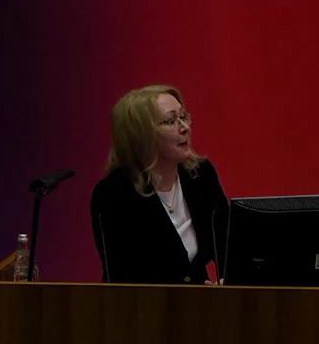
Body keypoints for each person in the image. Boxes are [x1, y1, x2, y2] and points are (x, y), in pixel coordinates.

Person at [90, 84, 229, 284]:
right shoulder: (114, 194)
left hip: (201, 300)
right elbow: (122, 276)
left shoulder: (200, 175)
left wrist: (228, 282)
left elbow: (227, 243)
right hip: (145, 302)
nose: (185, 127)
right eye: (171, 121)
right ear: (141, 134)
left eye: (184, 117)